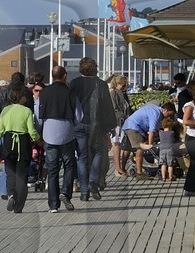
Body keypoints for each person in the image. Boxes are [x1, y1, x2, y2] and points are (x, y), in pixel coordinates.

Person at [67, 57, 117, 202]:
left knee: (82, 157)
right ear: (95, 68)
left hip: (78, 124)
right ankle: (93, 181)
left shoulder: (74, 83)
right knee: (99, 152)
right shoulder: (100, 84)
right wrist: (110, 126)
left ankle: (84, 192)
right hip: (97, 124)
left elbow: (70, 104)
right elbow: (107, 106)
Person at [37, 65, 79, 213]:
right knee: (69, 165)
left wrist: (39, 132)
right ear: (65, 76)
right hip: (67, 133)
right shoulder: (70, 93)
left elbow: (38, 115)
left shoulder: (44, 92)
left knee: (52, 169)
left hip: (49, 133)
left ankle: (53, 205)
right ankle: (65, 192)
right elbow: (79, 115)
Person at [0, 80, 39, 213]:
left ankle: (11, 194)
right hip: (23, 143)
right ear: (20, 98)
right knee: (22, 175)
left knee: (10, 173)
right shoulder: (26, 111)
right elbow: (31, 131)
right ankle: (19, 206)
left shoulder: (5, 110)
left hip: (8, 141)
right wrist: (38, 139)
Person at [120, 100, 164, 178]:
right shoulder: (156, 113)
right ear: (166, 110)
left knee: (128, 148)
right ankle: (139, 173)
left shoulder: (153, 109)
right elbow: (152, 131)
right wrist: (150, 144)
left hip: (129, 124)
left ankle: (122, 169)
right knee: (140, 148)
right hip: (134, 127)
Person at [108, 74, 132, 177]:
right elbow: (114, 109)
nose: (124, 87)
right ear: (117, 84)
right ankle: (118, 168)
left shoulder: (124, 94)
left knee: (126, 145)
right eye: (123, 85)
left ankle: (121, 167)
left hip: (124, 122)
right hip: (117, 122)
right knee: (117, 144)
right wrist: (126, 116)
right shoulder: (114, 93)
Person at [157, 107, 180, 182]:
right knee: (170, 164)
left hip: (162, 150)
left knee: (163, 164)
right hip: (170, 150)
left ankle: (163, 177)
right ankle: (170, 177)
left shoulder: (161, 133)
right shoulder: (172, 133)